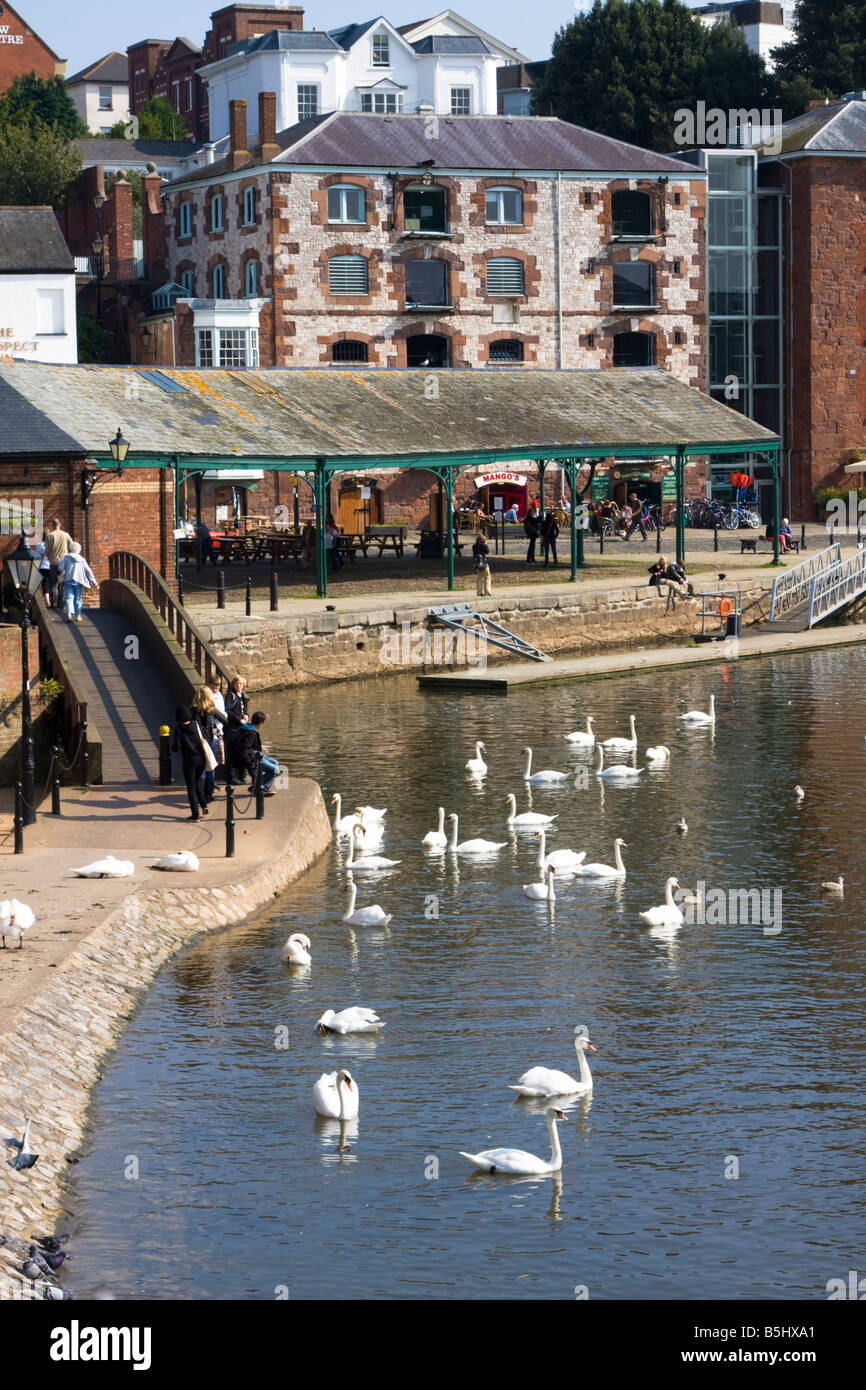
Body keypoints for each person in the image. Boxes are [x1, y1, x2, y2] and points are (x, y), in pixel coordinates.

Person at [171, 705, 209, 821]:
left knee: (190, 787)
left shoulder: (178, 728)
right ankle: (204, 805)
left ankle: (195, 814)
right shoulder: (195, 724)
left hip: (189, 760)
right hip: (201, 759)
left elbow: (176, 747)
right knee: (197, 781)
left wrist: (173, 747)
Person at [233, 711, 279, 795]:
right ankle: (259, 787)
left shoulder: (246, 728)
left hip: (255, 754)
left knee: (275, 762)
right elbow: (244, 750)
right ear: (261, 723)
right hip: (252, 758)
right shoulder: (251, 733)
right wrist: (250, 763)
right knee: (275, 770)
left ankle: (261, 786)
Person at [193, 684, 224, 803]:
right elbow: (224, 721)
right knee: (209, 768)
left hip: (197, 744)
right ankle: (208, 795)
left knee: (200, 771)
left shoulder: (192, 710)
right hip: (208, 743)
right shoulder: (211, 709)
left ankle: (199, 795)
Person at [57, 542, 98, 622]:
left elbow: (60, 568)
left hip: (68, 581)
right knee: (78, 598)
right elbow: (88, 571)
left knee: (69, 598)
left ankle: (69, 614)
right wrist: (94, 582)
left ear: (70, 549)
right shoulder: (82, 559)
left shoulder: (65, 557)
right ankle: (78, 615)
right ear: (79, 550)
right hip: (78, 582)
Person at [42, 517, 74, 609]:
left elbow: (47, 551)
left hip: (53, 563)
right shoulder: (66, 535)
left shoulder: (49, 536)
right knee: (63, 583)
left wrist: (49, 558)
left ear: (52, 525)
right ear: (59, 525)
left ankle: (54, 603)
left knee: (53, 584)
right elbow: (72, 546)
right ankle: (62, 604)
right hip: (64, 563)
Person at [472, 530, 492, 597]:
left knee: (479, 578)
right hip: (483, 563)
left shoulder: (474, 546)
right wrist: (486, 545)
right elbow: (487, 551)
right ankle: (487, 591)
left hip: (477, 563)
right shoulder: (483, 545)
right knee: (487, 577)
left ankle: (479, 592)